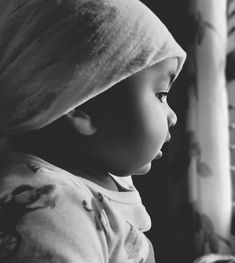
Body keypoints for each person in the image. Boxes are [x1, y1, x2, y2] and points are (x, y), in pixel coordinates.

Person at [0, 0, 186, 262]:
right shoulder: (48, 210)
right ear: (83, 107)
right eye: (161, 94)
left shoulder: (97, 176)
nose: (173, 116)